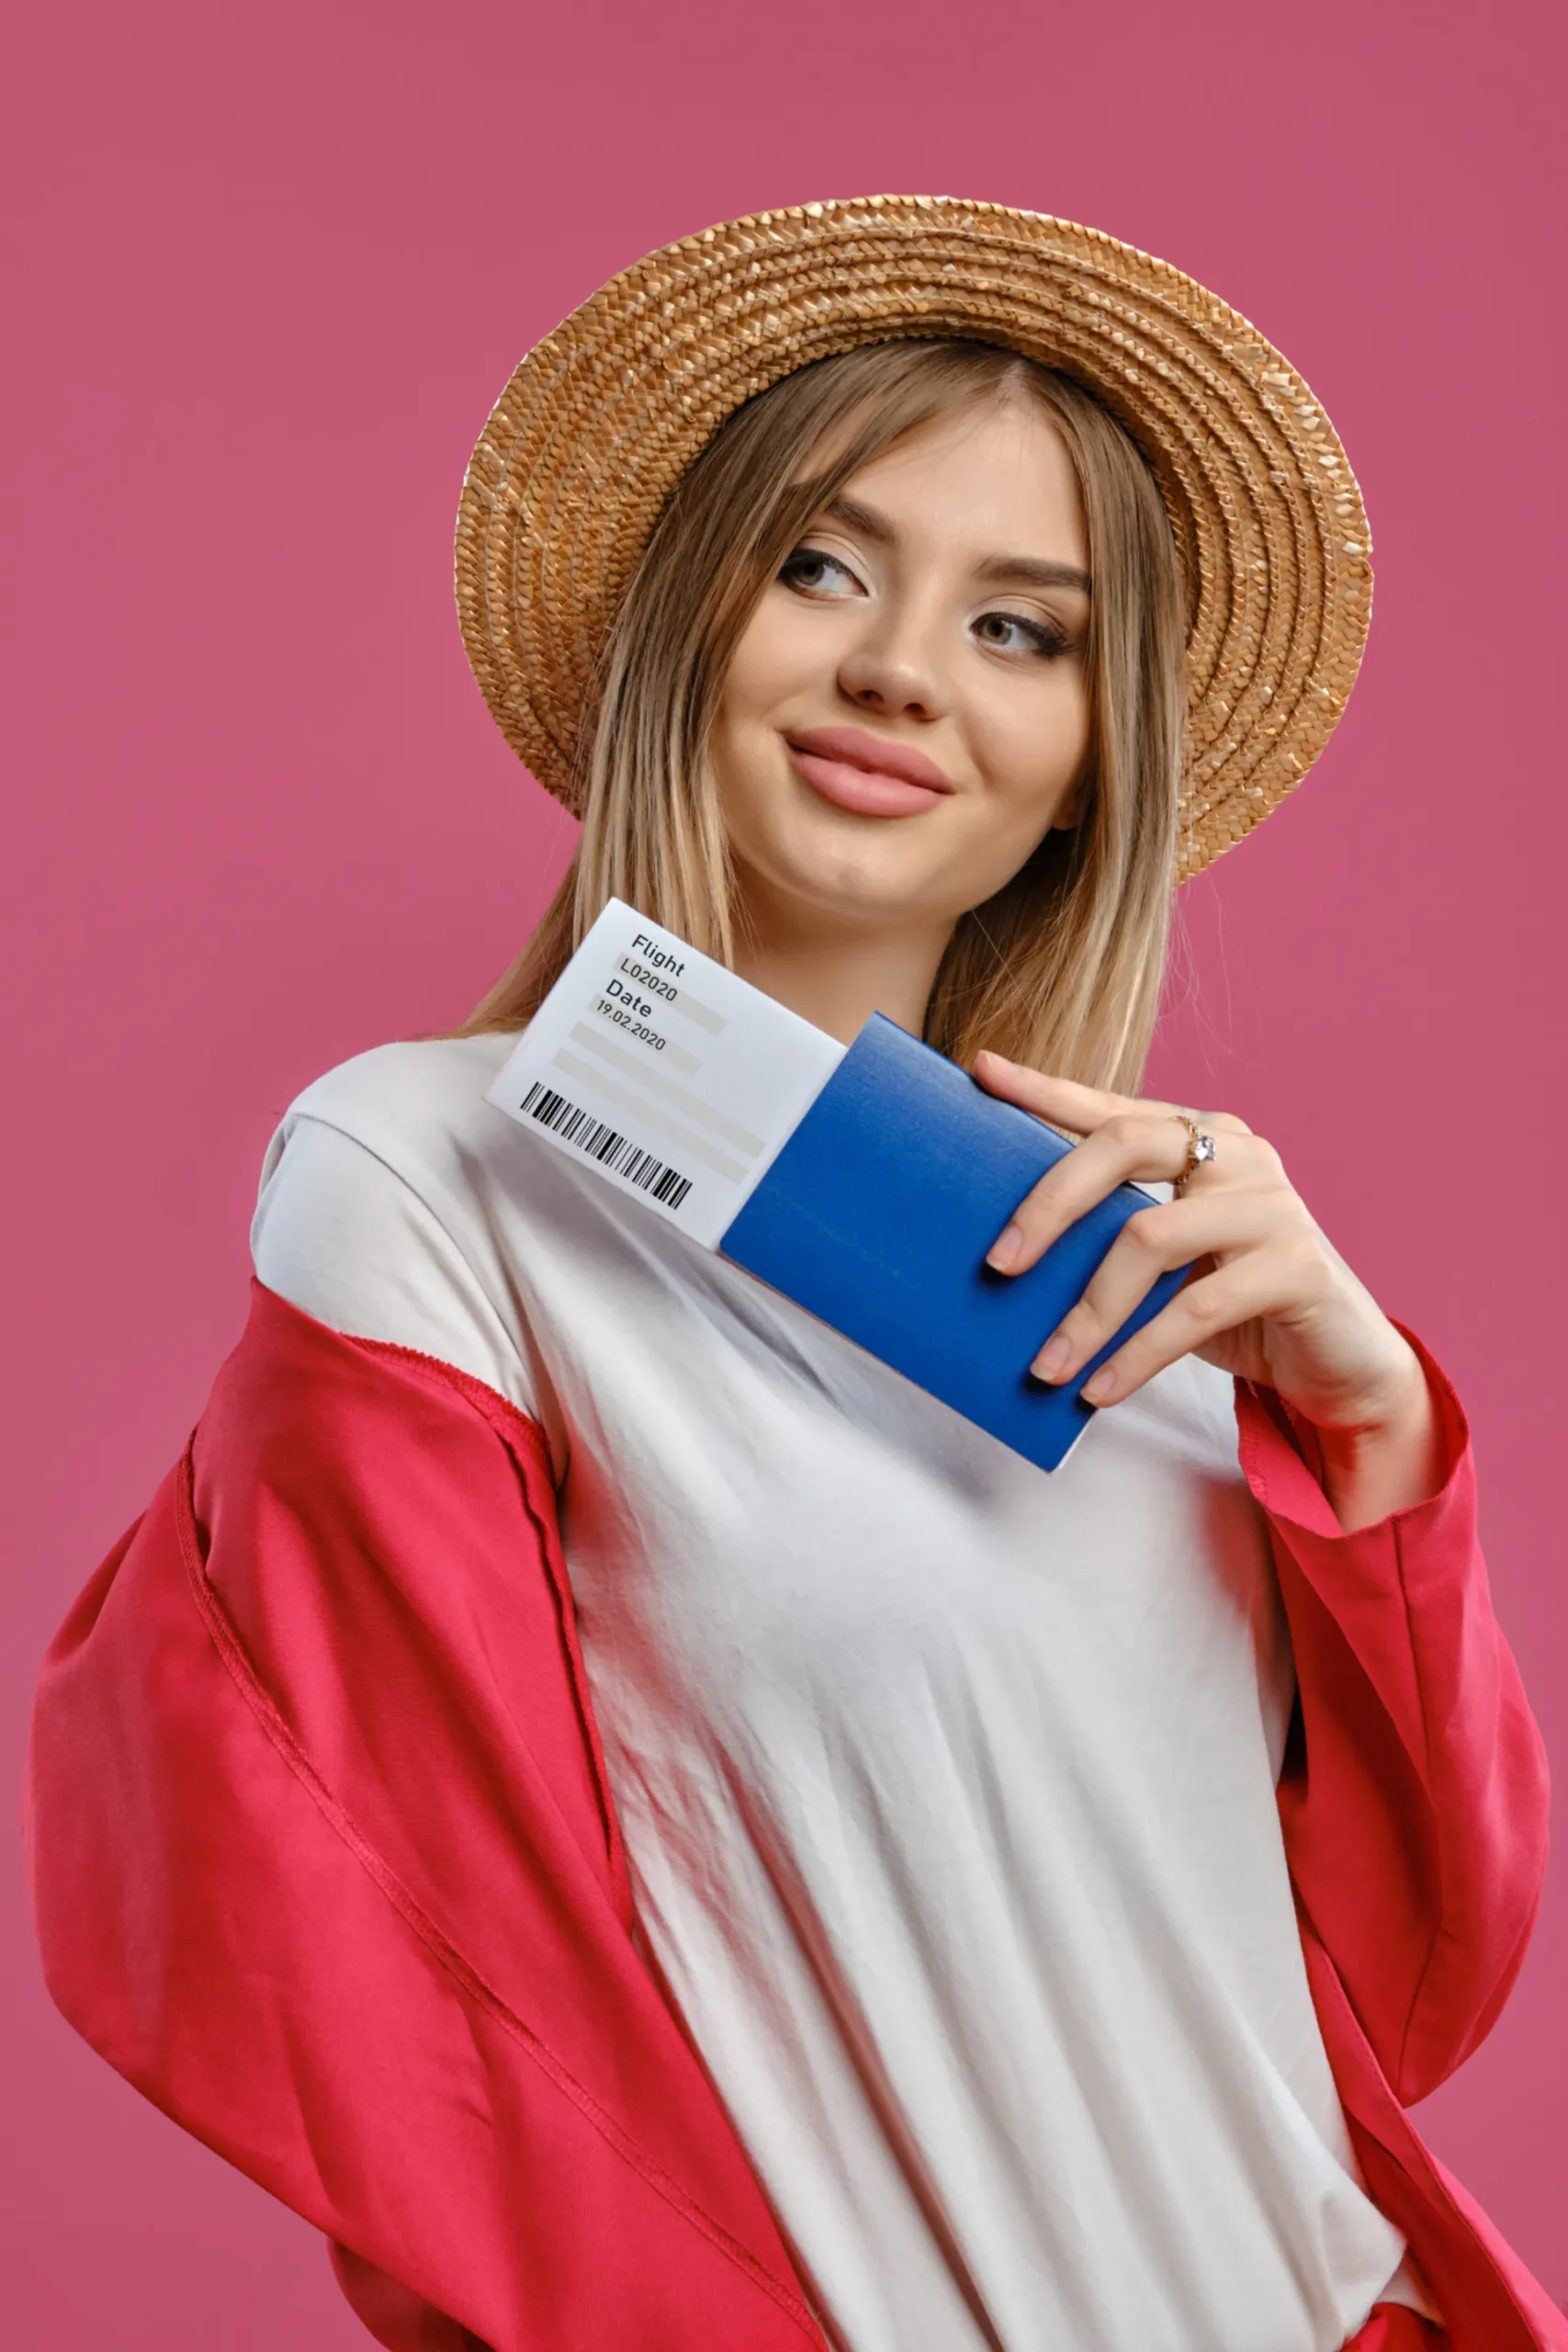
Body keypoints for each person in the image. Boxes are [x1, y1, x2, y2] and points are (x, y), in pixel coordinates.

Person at [27, 198, 1561, 2352]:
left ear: (1084, 772)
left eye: (1025, 630)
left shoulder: (1148, 1275)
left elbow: (1395, 1985)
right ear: (688, 626)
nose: (902, 669)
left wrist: (1372, 1430)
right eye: (824, 566)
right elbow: (409, 1973)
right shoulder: (427, 1168)